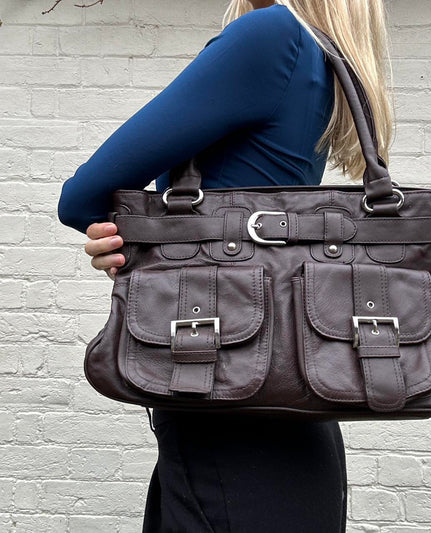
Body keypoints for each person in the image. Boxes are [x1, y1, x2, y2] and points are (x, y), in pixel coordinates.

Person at [57, 0, 394, 531]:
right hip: (294, 408)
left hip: (222, 387)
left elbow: (82, 196)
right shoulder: (322, 52)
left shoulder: (272, 35)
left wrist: (146, 247)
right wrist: (143, 248)